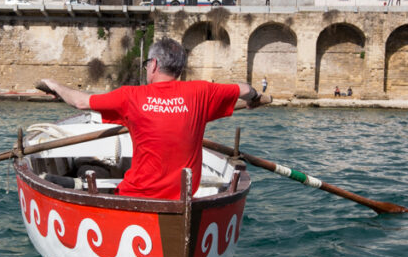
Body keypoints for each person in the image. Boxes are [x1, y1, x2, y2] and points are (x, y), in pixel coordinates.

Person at [38, 38, 268, 200]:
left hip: (136, 196)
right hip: (183, 198)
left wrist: (54, 85)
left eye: (147, 64)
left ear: (154, 65)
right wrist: (254, 98)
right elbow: (244, 88)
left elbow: (81, 101)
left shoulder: (131, 96)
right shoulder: (201, 93)